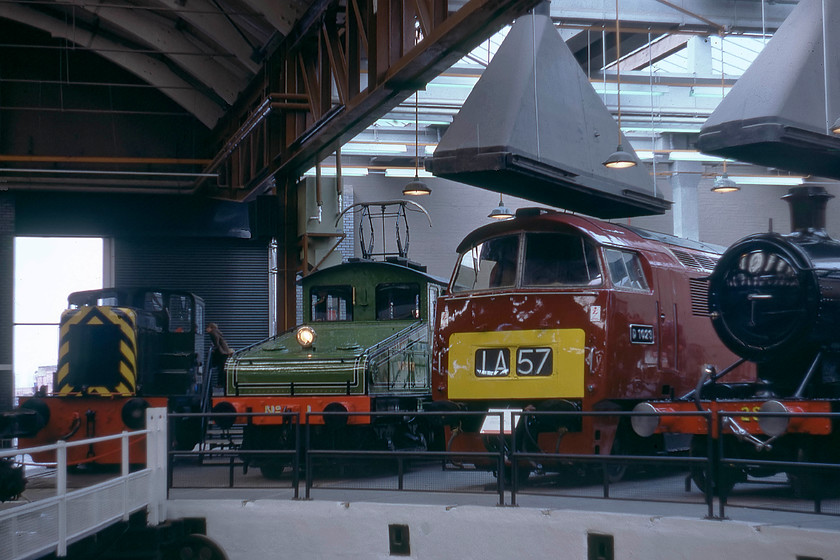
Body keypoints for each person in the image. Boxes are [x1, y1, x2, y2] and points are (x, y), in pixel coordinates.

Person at [206, 322, 233, 387]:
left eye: (207, 328)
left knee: (221, 369)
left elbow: (216, 343)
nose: (206, 329)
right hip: (224, 352)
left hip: (222, 353)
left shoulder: (213, 333)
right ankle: (222, 383)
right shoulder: (217, 332)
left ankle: (221, 384)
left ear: (211, 328)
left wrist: (214, 349)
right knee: (222, 368)